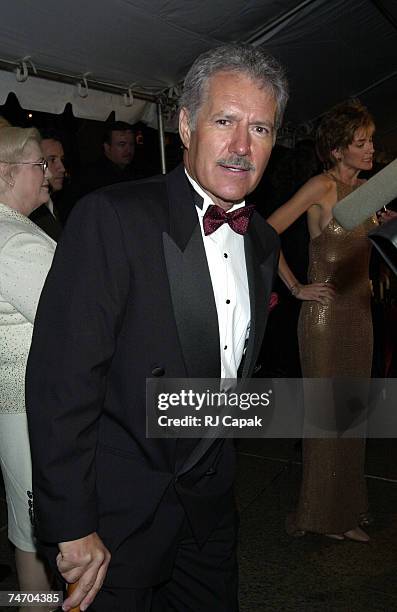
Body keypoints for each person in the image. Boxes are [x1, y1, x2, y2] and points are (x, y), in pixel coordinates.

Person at [26, 44, 288, 612]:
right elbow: (61, 382)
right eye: (225, 121)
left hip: (209, 515)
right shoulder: (114, 218)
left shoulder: (262, 242)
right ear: (187, 124)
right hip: (117, 522)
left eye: (261, 128)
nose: (242, 146)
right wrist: (70, 524)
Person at [267, 99, 377, 542]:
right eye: (361, 142)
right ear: (336, 150)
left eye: (371, 141)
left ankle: (348, 510)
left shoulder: (368, 190)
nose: (370, 149)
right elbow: (265, 232)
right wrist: (295, 287)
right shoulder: (321, 186)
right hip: (325, 317)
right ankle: (322, 516)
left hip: (361, 313)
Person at [0, 126, 56, 610]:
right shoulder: (15, 240)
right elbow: (71, 328)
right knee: (34, 530)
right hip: (27, 405)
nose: (49, 175)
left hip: (15, 404)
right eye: (39, 165)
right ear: (5, 173)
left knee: (28, 526)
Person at [29, 129, 65, 241]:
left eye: (62, 159)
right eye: (52, 159)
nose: (62, 168)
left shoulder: (57, 202)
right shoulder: (30, 210)